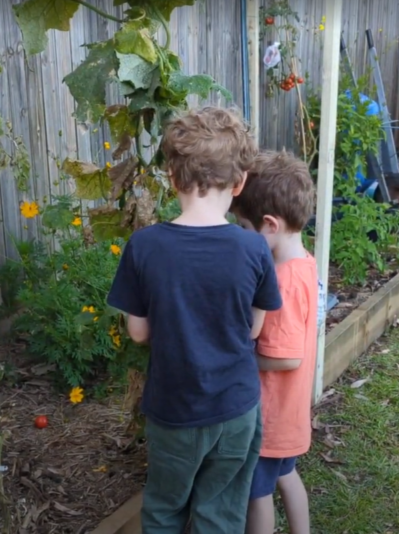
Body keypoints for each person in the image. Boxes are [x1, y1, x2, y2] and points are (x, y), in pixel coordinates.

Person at [106, 107, 283, 534]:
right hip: (234, 409)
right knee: (220, 512)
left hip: (174, 410)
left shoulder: (144, 246)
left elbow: (138, 332)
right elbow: (254, 330)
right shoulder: (254, 250)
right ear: (239, 183)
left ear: (172, 177)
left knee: (165, 508)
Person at [230, 150, 319, 534]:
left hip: (272, 418)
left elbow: (284, 358)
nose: (241, 237)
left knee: (256, 494)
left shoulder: (280, 283)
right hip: (292, 413)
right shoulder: (305, 264)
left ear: (269, 225)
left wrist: (238, 358)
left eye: (243, 229)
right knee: (287, 478)